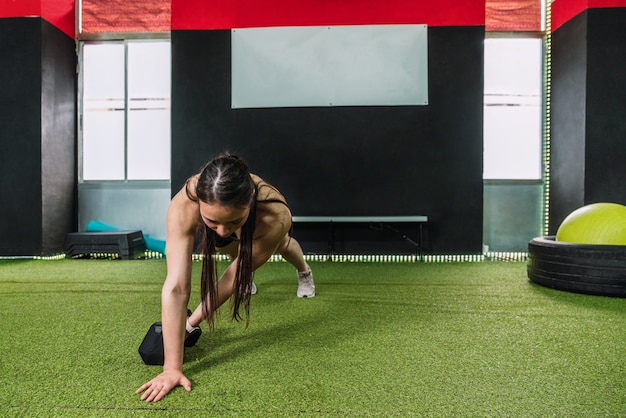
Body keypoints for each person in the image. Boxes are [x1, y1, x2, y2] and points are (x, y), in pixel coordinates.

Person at [136, 153, 315, 402]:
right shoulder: (185, 203)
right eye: (212, 220)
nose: (221, 230)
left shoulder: (274, 216)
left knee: (283, 246)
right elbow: (176, 286)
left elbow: (231, 279)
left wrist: (190, 324)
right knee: (223, 242)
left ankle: (304, 271)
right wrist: (172, 368)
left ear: (249, 206)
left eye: (232, 220)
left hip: (262, 230)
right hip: (231, 223)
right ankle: (226, 225)